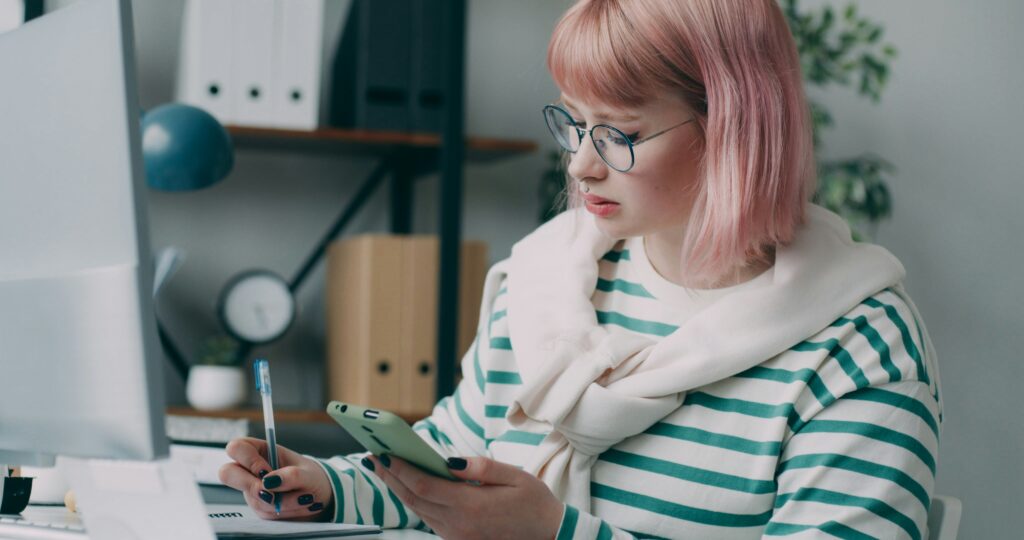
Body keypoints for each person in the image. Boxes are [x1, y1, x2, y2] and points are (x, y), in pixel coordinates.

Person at [221, 0, 942, 538]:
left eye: (620, 134)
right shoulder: (546, 281)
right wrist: (324, 486)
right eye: (572, 122)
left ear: (734, 129)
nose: (581, 162)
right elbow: (454, 461)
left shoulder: (856, 346)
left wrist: (557, 533)